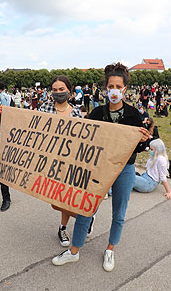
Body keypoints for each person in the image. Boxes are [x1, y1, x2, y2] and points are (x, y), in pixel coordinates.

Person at [52, 62, 150, 271]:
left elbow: (139, 148)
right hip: (99, 170)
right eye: (111, 86)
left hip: (124, 170)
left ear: (124, 89)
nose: (114, 91)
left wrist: (143, 140)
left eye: (118, 87)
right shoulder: (96, 113)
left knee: (119, 213)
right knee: (85, 207)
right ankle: (74, 251)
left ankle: (110, 250)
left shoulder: (134, 115)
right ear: (106, 88)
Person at [39, 75, 82, 247]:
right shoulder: (44, 108)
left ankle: (62, 228)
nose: (58, 93)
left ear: (69, 92)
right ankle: (83, 218)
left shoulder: (77, 112)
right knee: (55, 202)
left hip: (70, 162)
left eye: (61, 89)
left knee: (66, 199)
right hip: (50, 161)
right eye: (55, 90)